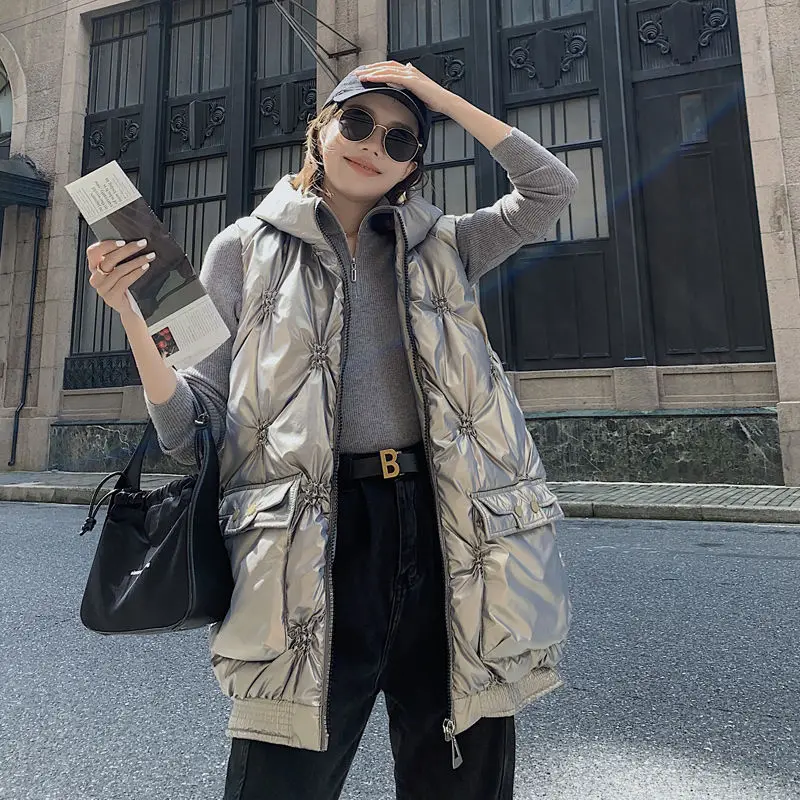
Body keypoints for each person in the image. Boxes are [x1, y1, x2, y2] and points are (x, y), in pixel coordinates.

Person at [85, 61, 578, 800]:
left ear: (412, 165)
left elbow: (549, 191)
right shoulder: (241, 249)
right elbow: (193, 433)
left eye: (401, 139)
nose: (373, 144)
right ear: (320, 130)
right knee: (281, 778)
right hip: (306, 539)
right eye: (357, 122)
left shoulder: (444, 244)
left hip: (448, 534)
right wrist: (131, 314)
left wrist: (437, 96)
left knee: (461, 774)